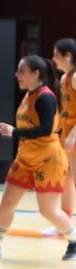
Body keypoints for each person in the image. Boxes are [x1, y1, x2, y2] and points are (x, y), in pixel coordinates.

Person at [0, 54, 75, 260]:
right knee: (7, 202)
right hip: (25, 158)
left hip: (48, 160)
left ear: (35, 73)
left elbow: (45, 129)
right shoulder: (29, 95)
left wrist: (14, 131)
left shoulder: (46, 97)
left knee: (48, 211)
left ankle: (74, 241)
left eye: (22, 71)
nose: (17, 75)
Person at [52, 38, 76, 229]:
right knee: (65, 177)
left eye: (56, 55)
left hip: (73, 135)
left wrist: (73, 135)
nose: (53, 59)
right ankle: (65, 224)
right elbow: (65, 111)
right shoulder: (64, 79)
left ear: (68, 55)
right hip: (67, 134)